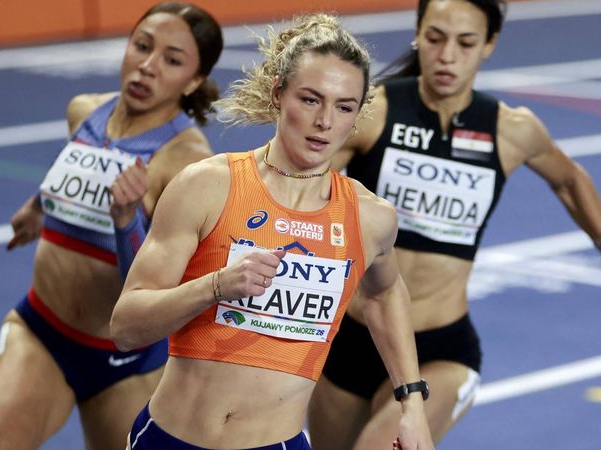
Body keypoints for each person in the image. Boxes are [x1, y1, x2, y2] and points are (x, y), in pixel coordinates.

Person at [307, 0, 601, 448]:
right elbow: (301, 180)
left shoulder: (510, 130)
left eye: (466, 42)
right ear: (418, 32)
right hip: (353, 338)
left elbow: (571, 181)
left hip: (440, 349)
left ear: (489, 45)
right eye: (435, 38)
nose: (448, 55)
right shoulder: (371, 111)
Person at [110, 13, 434, 450]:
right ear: (279, 93)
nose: (324, 122)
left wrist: (411, 403)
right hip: (169, 439)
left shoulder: (368, 218)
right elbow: (127, 327)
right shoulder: (207, 186)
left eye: (343, 107)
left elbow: (384, 292)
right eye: (310, 99)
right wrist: (215, 287)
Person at [0, 3, 223, 449]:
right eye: (141, 47)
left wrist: (126, 220)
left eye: (171, 60)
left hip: (125, 359)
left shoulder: (187, 163)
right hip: (43, 331)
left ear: (194, 80)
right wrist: (38, 207)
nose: (147, 67)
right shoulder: (84, 110)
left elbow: (154, 289)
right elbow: (76, 169)